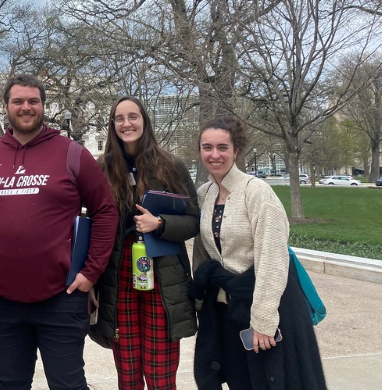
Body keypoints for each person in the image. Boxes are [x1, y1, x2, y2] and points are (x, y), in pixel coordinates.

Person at [0, 74, 119, 390]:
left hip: (61, 297)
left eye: (33, 101)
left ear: (43, 106)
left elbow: (105, 211)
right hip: (0, 297)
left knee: (68, 384)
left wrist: (90, 273)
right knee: (11, 383)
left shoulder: (73, 154)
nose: (26, 107)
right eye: (18, 101)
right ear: (5, 107)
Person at [191, 116, 327, 390]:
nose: (214, 155)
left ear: (236, 151)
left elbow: (274, 258)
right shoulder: (204, 193)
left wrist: (263, 319)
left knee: (270, 382)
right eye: (207, 147)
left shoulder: (257, 192)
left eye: (222, 147)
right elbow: (204, 252)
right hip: (228, 309)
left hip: (266, 307)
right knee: (239, 380)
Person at [90, 96, 200, 390]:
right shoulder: (102, 168)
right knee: (127, 370)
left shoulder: (170, 165)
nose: (127, 124)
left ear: (145, 120)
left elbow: (193, 220)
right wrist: (91, 280)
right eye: (119, 118)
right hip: (119, 273)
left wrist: (161, 224)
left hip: (162, 274)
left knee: (160, 370)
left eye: (133, 117)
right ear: (112, 125)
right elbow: (92, 225)